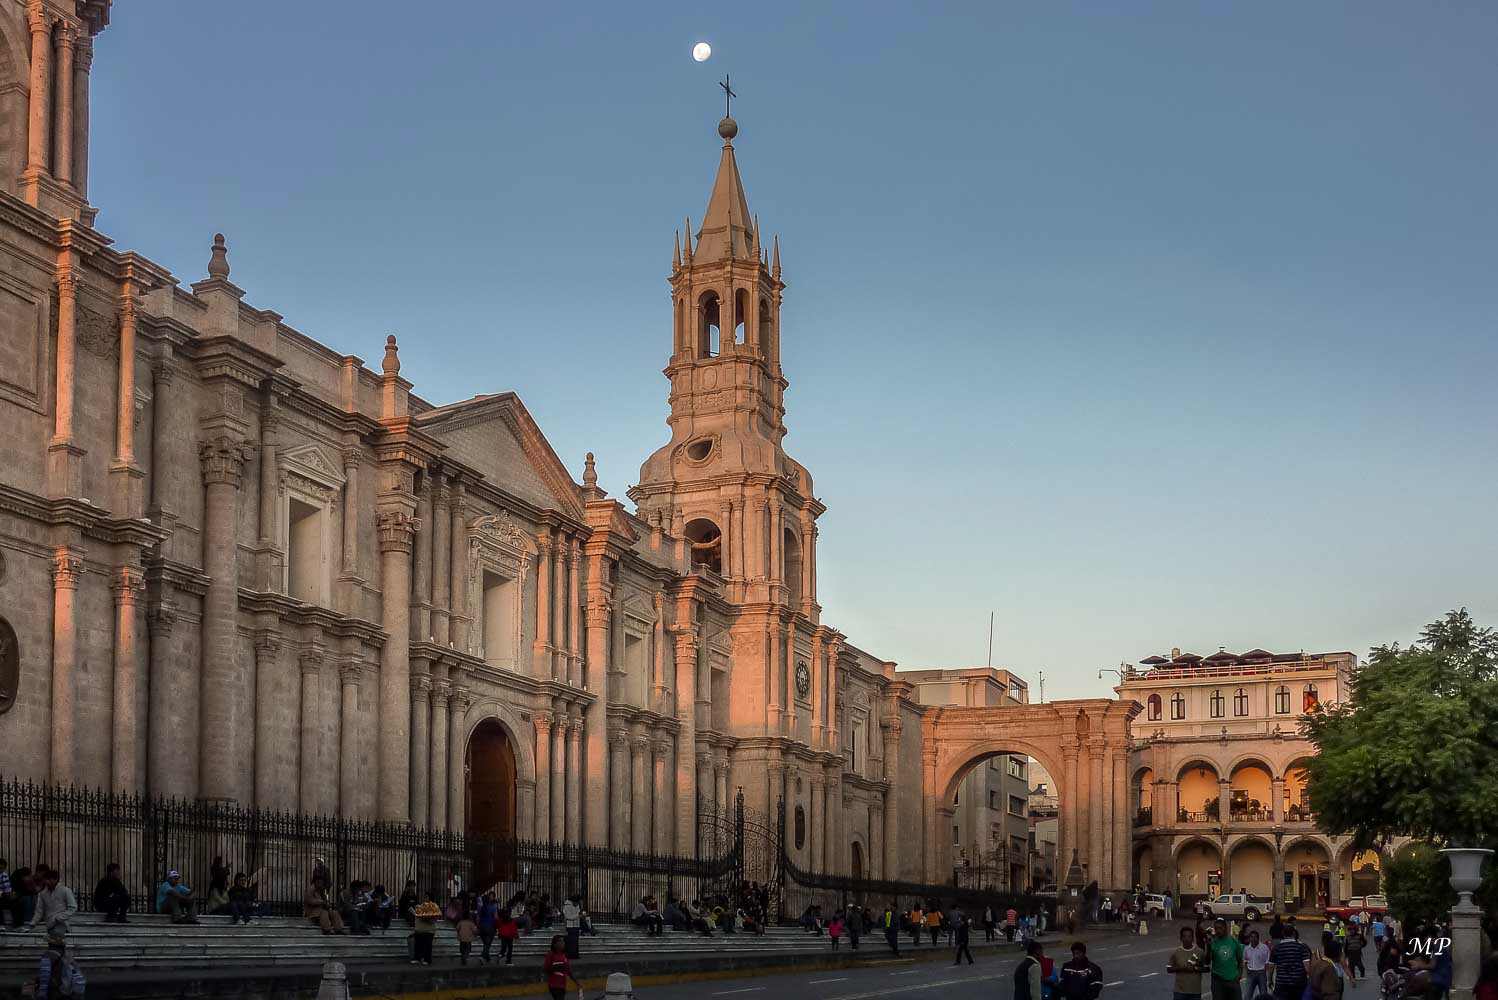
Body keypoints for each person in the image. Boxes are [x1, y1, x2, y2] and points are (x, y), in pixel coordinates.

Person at [36, 931, 86, 999]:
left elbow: (45, 977)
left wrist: (42, 993)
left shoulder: (48, 956)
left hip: (54, 992)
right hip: (66, 992)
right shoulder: (68, 956)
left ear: (50, 943)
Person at [28, 870, 78, 937]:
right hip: (49, 925)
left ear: (56, 879)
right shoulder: (42, 894)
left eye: (49, 880)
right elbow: (39, 911)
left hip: (62, 924)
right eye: (46, 880)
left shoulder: (65, 891)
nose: (47, 882)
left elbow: (73, 907)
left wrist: (58, 918)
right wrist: (33, 923)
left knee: (56, 937)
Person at [1269, 927, 1311, 1000]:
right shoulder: (1302, 947)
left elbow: (1271, 967)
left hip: (1282, 984)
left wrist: (1269, 980)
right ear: (1294, 934)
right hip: (1299, 984)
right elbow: (1307, 967)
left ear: (1282, 934)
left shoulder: (1276, 948)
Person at [1169, 925, 1209, 1000]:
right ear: (1181, 938)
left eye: (1189, 936)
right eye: (1184, 936)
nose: (1187, 939)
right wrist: (1181, 968)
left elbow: (1206, 968)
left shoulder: (1200, 952)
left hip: (1195, 991)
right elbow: (1169, 969)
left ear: (1193, 938)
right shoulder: (1176, 952)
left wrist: (1195, 969)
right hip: (1179, 991)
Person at [1211, 917, 1246, 1000]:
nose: (1218, 930)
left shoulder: (1234, 942)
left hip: (1233, 980)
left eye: (1220, 928)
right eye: (1216, 929)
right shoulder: (1212, 943)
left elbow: (1240, 960)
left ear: (1225, 928)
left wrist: (1239, 975)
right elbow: (1207, 960)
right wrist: (1209, 945)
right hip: (1218, 980)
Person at [543, 933, 582, 1000]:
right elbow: (546, 969)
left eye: (563, 941)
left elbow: (569, 971)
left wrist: (576, 982)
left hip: (562, 985)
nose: (563, 943)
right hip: (554, 985)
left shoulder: (564, 955)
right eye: (560, 941)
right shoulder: (550, 955)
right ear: (555, 944)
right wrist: (556, 967)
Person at [410, 895, 440, 966]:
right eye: (424, 897)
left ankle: (427, 960)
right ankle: (417, 958)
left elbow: (433, 919)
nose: (424, 898)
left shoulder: (434, 907)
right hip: (419, 929)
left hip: (429, 930)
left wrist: (424, 917)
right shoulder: (420, 906)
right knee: (418, 945)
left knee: (427, 946)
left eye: (426, 897)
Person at [1244, 929, 1271, 1000]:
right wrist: (1247, 970)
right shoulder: (1247, 948)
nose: (1253, 939)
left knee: (1263, 994)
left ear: (1258, 938)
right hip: (1251, 973)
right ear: (1249, 938)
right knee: (1247, 995)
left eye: (1255, 937)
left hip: (1261, 972)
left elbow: (1267, 961)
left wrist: (1264, 971)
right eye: (1251, 937)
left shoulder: (1264, 948)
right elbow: (1245, 960)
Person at [496, 898, 519, 965]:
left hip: (503, 935)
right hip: (510, 936)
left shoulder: (501, 920)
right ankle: (508, 961)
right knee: (510, 948)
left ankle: (501, 954)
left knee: (503, 947)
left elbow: (498, 926)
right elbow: (514, 929)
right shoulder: (511, 920)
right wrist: (516, 936)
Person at [562, 894, 582, 959]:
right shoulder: (567, 905)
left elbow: (578, 913)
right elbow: (568, 916)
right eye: (577, 902)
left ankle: (575, 954)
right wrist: (578, 916)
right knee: (571, 941)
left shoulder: (577, 905)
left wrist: (579, 915)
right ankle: (570, 954)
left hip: (576, 925)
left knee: (576, 941)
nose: (578, 903)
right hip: (570, 925)